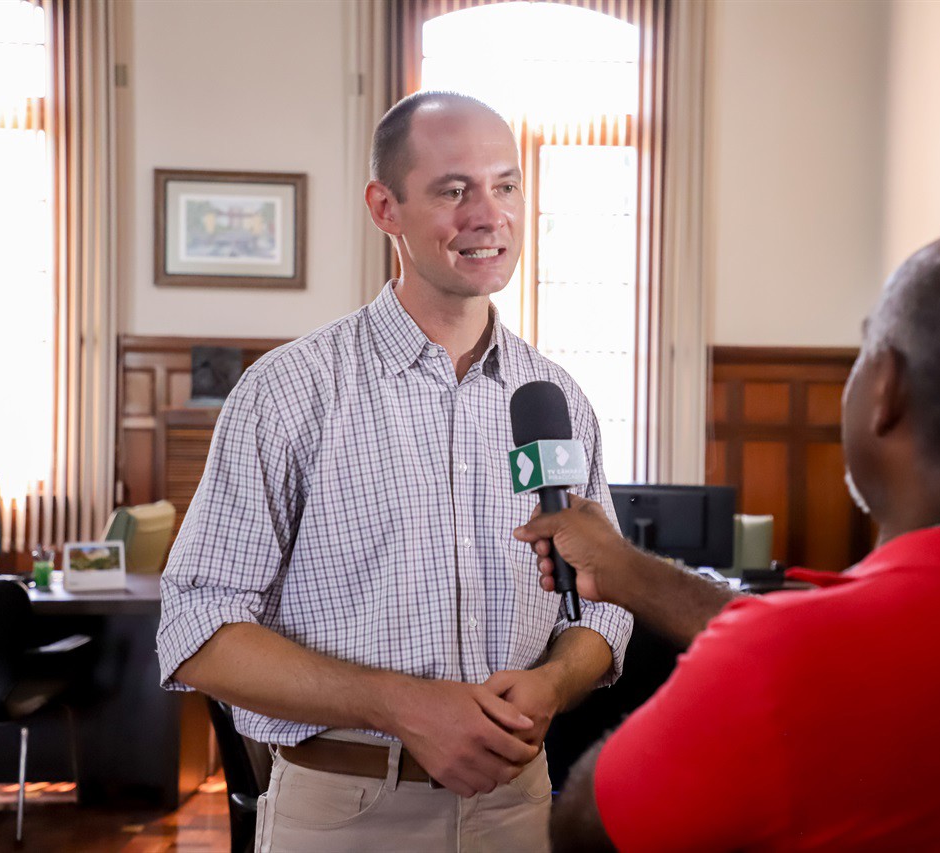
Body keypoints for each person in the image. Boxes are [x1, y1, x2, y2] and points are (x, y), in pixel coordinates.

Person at [514, 226, 940, 852]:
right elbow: (852, 653)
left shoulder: (784, 668)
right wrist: (626, 570)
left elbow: (588, 827)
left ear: (889, 389)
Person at [157, 91, 632, 852]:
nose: (490, 215)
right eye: (454, 190)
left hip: (521, 806)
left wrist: (551, 684)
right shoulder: (288, 392)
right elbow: (196, 626)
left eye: (506, 185)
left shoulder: (558, 399)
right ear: (386, 207)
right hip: (347, 813)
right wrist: (402, 706)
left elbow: (603, 608)